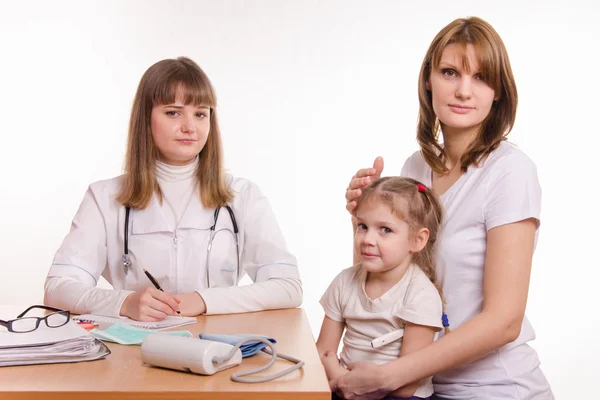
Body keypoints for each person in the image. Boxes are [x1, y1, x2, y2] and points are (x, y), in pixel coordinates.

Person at [337, 17, 554, 400]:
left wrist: (389, 375)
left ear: (498, 92)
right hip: (422, 387)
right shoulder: (415, 168)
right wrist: (364, 223)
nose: (464, 91)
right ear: (428, 79)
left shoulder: (510, 173)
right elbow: (386, 284)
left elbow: (504, 321)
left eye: (482, 78)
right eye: (450, 72)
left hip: (495, 388)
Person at [44, 57, 302, 321]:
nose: (190, 127)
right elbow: (57, 288)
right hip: (134, 351)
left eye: (200, 114)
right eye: (173, 112)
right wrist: (123, 302)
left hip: (219, 348)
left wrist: (203, 300)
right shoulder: (104, 197)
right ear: (146, 118)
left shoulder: (243, 196)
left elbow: (288, 287)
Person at [317, 177, 448, 400]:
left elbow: (406, 385)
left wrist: (337, 374)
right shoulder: (344, 282)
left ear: (417, 240)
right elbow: (322, 352)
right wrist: (338, 377)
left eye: (385, 230)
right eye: (363, 226)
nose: (367, 239)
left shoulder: (421, 295)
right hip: (343, 389)